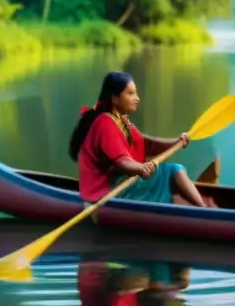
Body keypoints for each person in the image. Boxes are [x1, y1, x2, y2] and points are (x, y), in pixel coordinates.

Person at [69, 71, 215, 207]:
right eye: (130, 93)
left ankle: (202, 211)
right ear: (115, 99)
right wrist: (140, 168)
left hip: (124, 179)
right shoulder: (105, 123)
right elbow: (121, 162)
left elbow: (147, 145)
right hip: (111, 187)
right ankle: (205, 213)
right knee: (174, 170)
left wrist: (177, 142)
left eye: (136, 93)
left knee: (174, 170)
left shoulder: (122, 121)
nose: (137, 98)